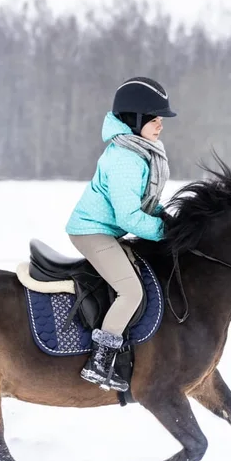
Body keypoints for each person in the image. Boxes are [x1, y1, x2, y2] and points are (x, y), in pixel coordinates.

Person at [66, 76, 177, 392]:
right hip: (92, 232)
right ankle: (99, 360)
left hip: (109, 229)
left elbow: (145, 204)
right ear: (136, 120)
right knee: (131, 291)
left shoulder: (141, 151)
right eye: (155, 120)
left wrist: (170, 222)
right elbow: (128, 216)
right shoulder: (126, 159)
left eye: (160, 120)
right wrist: (165, 233)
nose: (160, 126)